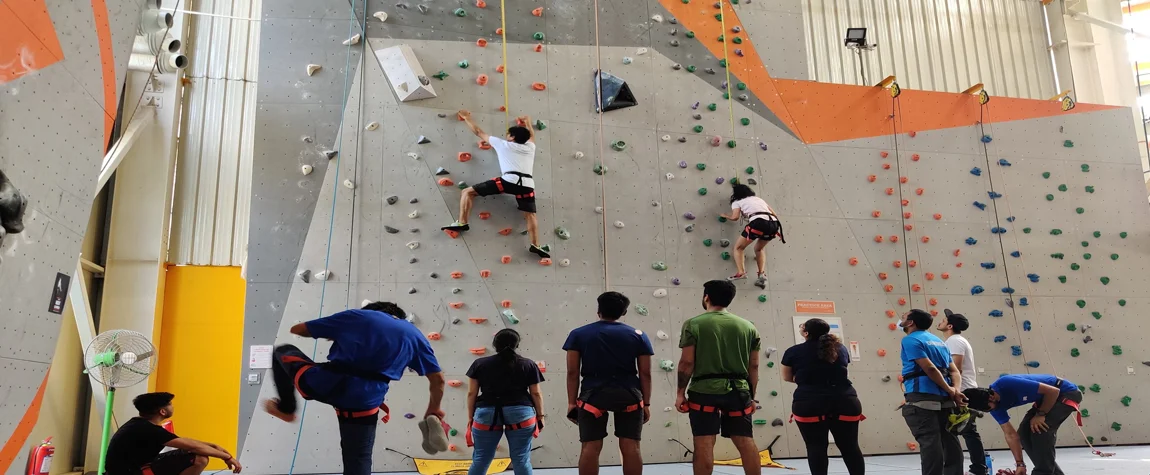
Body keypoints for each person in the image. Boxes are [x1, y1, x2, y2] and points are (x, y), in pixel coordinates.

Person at [263, 301, 446, 475]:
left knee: (282, 350)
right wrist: (433, 409)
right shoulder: (415, 336)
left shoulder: (359, 316)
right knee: (358, 460)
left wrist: (336, 331)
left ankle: (287, 409)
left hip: (325, 383)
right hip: (365, 401)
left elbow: (298, 329)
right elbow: (437, 380)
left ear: (372, 310)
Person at [675, 280, 762, 475]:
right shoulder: (748, 327)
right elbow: (754, 366)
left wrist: (680, 393)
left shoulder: (693, 324)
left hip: (703, 391)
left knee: (704, 441)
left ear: (706, 297)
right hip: (739, 391)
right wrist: (752, 397)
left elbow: (686, 363)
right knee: (745, 440)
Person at [563, 291, 654, 475]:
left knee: (590, 446)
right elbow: (645, 372)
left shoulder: (578, 334)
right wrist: (646, 402)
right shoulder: (638, 335)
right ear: (624, 312)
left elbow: (572, 372)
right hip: (629, 393)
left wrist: (572, 403)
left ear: (599, 310)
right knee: (631, 446)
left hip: (592, 396)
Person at [443, 110, 549, 258]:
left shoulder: (503, 144)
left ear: (511, 137)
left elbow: (478, 132)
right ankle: (535, 245)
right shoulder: (530, 148)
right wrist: (528, 122)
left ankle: (462, 222)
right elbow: (532, 136)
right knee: (530, 214)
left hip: (508, 181)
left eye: (508, 134)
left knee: (467, 192)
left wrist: (467, 118)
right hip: (527, 184)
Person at [780, 318, 864, 475]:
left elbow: (787, 377)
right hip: (845, 400)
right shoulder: (842, 349)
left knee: (815, 446)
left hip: (809, 402)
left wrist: (805, 379)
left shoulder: (793, 351)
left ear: (806, 333)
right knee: (850, 446)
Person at [964, 374, 1083, 475]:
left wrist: (1041, 414)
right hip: (1046, 399)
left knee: (1039, 430)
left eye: (988, 407)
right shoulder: (994, 408)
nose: (991, 410)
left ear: (991, 396)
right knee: (1024, 433)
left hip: (1066, 392)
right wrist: (1020, 464)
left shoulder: (1006, 383)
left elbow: (1053, 391)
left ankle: (1042, 472)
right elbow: (1010, 434)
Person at [466, 329, 545, 475]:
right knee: (521, 459)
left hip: (486, 413)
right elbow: (536, 393)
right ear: (517, 344)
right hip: (521, 413)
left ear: (495, 344)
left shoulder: (479, 364)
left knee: (481, 459)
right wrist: (540, 416)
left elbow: (472, 393)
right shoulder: (528, 364)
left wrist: (471, 417)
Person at [105, 392, 242, 475]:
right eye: (170, 404)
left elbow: (188, 443)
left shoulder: (140, 425)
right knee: (199, 458)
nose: (173, 406)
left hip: (138, 466)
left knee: (198, 453)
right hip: (132, 473)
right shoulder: (149, 430)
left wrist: (214, 446)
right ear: (162, 412)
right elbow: (192, 447)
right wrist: (227, 457)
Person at [899, 309, 967, 475]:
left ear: (910, 323)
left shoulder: (910, 340)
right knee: (949, 440)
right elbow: (955, 371)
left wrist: (949, 389)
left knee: (930, 442)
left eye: (905, 315)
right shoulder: (939, 341)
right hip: (946, 398)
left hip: (922, 396)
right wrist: (954, 391)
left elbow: (929, 367)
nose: (901, 316)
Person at [938, 309, 986, 475]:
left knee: (967, 432)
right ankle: (977, 468)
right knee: (967, 432)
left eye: (943, 320)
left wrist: (953, 391)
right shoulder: (954, 341)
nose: (940, 322)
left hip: (963, 391)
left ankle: (978, 469)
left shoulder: (954, 341)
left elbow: (955, 368)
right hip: (963, 390)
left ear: (949, 325)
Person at [718, 184, 784, 289]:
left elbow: (735, 217)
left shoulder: (737, 202)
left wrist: (726, 216)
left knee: (739, 248)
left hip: (758, 223)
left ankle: (741, 272)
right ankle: (761, 274)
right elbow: (774, 214)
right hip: (774, 224)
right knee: (759, 249)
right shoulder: (758, 199)